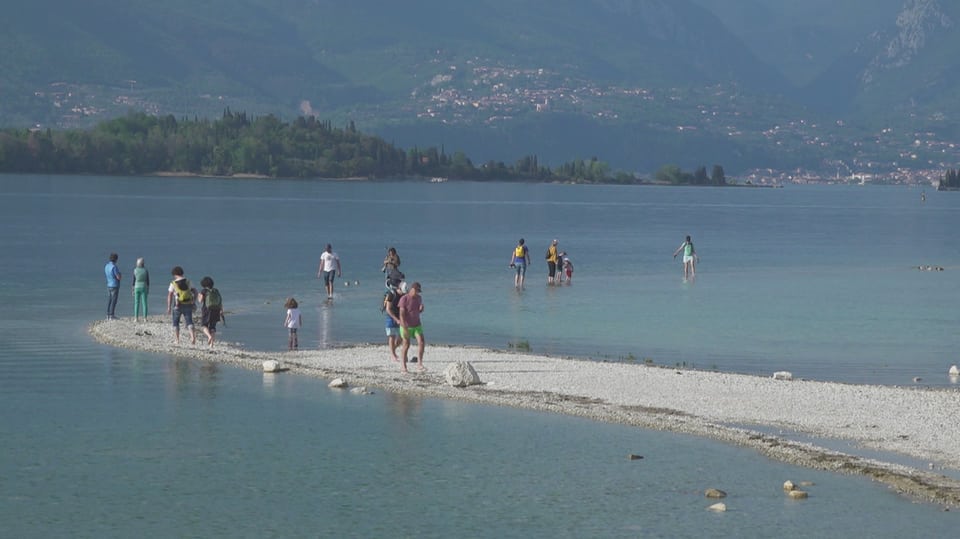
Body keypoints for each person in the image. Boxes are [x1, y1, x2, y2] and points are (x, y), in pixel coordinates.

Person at [398, 281, 425, 373]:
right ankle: (403, 366)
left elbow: (417, 311)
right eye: (416, 291)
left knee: (421, 342)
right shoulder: (404, 299)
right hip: (406, 325)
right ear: (412, 289)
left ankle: (419, 364)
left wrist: (421, 309)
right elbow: (401, 314)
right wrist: (404, 326)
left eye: (418, 291)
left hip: (417, 324)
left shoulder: (419, 298)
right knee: (406, 345)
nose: (417, 293)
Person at [166, 266, 197, 345]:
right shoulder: (189, 281)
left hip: (177, 305)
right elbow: (195, 291)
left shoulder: (173, 283)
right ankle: (193, 337)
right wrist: (194, 301)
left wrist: (169, 307)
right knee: (189, 321)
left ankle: (177, 340)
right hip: (188, 304)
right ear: (182, 273)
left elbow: (169, 295)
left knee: (176, 322)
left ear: (175, 274)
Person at [197, 276, 223, 347]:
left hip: (207, 310)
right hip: (216, 310)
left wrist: (198, 296)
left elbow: (200, 301)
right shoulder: (216, 290)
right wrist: (221, 310)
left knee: (204, 325)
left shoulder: (204, 291)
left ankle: (209, 336)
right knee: (213, 327)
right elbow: (220, 301)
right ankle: (211, 344)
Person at [383, 277, 404, 361]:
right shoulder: (391, 294)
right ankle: (393, 355)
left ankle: (393, 351)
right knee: (392, 336)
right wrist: (396, 319)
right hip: (391, 317)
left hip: (400, 317)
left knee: (402, 336)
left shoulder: (404, 295)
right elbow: (388, 309)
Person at [104, 253, 122, 319]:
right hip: (114, 284)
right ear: (116, 259)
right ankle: (112, 315)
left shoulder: (106, 266)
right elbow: (118, 277)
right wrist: (120, 274)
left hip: (109, 284)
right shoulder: (114, 267)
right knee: (114, 300)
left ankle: (108, 314)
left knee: (109, 300)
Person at [132, 257, 150, 322]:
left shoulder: (135, 270)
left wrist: (132, 289)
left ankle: (136, 318)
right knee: (144, 303)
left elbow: (133, 281)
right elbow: (148, 281)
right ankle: (145, 318)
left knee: (136, 303)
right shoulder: (145, 270)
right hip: (144, 287)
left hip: (137, 287)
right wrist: (148, 289)